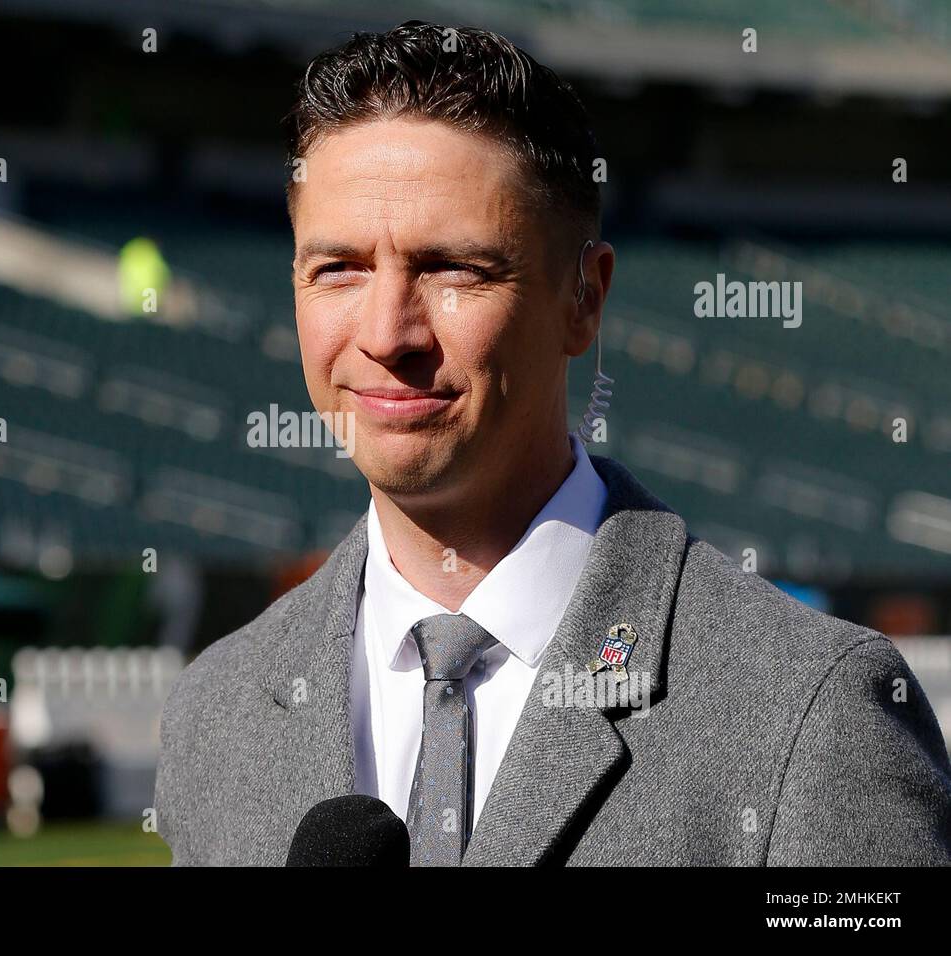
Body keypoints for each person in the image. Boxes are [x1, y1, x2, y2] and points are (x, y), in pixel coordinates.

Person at [153, 22, 951, 866]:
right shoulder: (218, 713)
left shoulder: (813, 712)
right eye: (338, 269)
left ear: (584, 299)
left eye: (454, 268)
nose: (388, 332)